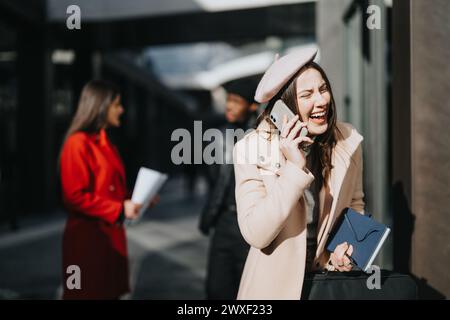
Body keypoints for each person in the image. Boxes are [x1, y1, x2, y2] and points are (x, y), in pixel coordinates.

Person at [233, 48, 365, 299]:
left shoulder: (348, 141)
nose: (322, 101)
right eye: (307, 94)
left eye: (323, 89)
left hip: (328, 283)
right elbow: (256, 233)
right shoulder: (250, 148)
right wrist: (294, 168)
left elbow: (354, 204)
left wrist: (348, 249)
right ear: (285, 107)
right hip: (271, 289)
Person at [59, 80, 156, 299]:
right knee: (80, 293)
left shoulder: (105, 143)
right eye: (117, 105)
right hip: (86, 242)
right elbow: (74, 197)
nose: (121, 110)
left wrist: (138, 199)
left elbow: (110, 190)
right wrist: (121, 208)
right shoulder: (78, 143)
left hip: (109, 238)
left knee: (108, 293)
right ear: (101, 106)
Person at [199, 77, 259, 299]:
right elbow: (214, 183)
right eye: (228, 100)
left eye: (235, 100)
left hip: (251, 223)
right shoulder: (218, 138)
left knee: (247, 292)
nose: (229, 106)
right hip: (225, 222)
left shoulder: (264, 136)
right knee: (217, 290)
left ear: (252, 105)